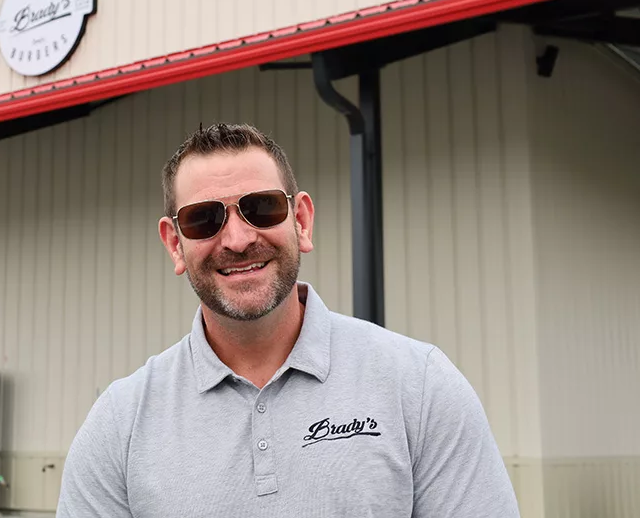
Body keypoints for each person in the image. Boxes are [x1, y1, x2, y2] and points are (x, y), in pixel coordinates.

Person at [56, 123, 520, 517]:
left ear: (301, 220)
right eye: (203, 220)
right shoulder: (120, 425)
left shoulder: (418, 388)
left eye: (261, 208)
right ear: (175, 244)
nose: (237, 239)